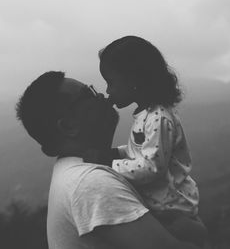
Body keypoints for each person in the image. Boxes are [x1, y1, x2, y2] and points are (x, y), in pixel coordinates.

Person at [16, 71, 201, 249]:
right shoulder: (90, 184)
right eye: (89, 94)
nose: (103, 97)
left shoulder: (72, 171)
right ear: (68, 126)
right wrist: (199, 233)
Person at [93, 35, 206, 245]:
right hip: (162, 208)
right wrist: (116, 153)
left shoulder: (158, 117)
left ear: (133, 81)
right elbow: (141, 152)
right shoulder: (146, 114)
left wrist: (109, 164)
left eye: (111, 82)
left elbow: (152, 167)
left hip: (172, 212)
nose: (108, 90)